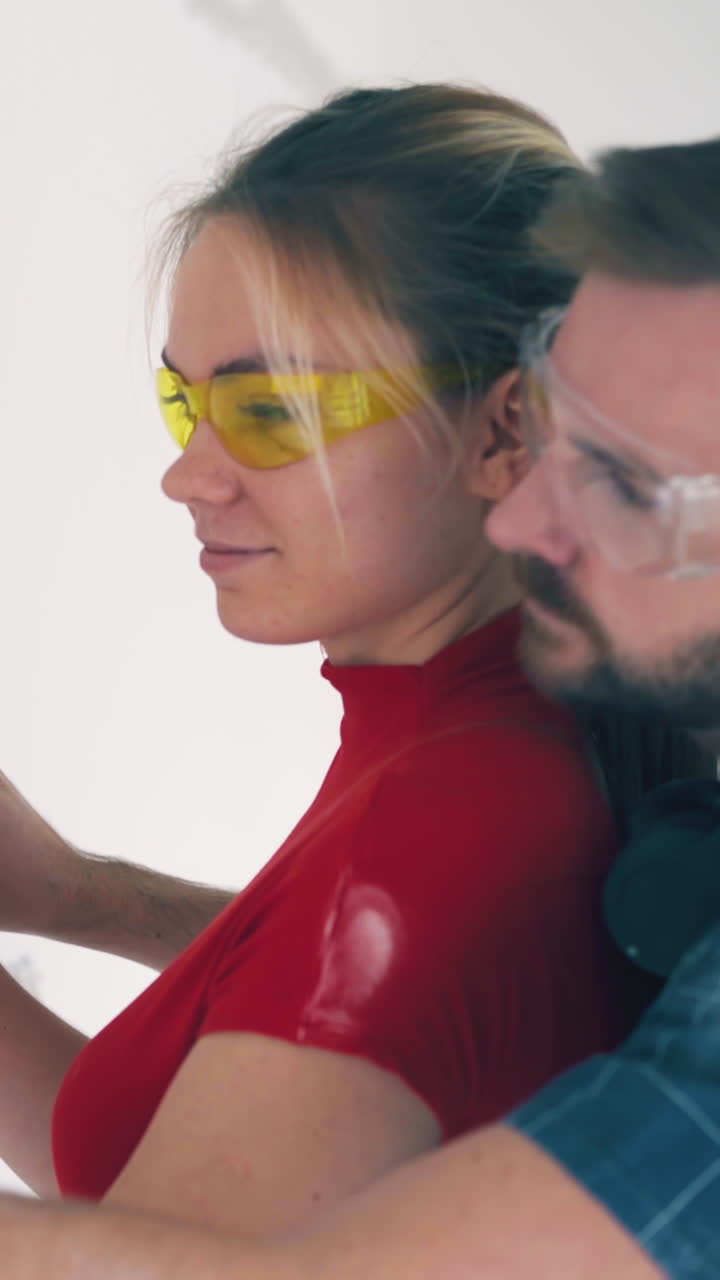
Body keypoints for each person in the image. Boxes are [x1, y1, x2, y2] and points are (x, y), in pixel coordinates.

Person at [1, 129, 718, 1279]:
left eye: (274, 410)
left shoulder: (443, 817)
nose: (188, 472)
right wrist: (74, 894)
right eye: (185, 403)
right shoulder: (445, 750)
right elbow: (168, 1196)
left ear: (499, 428)